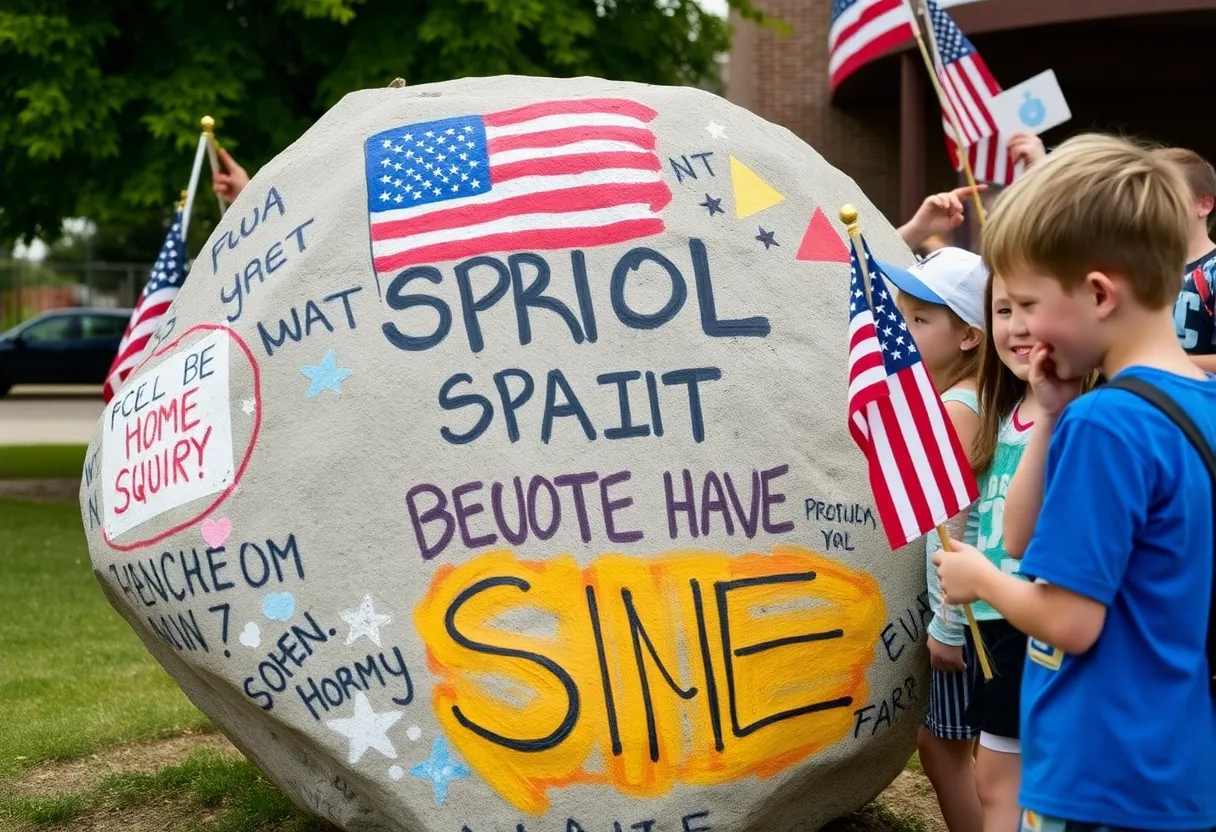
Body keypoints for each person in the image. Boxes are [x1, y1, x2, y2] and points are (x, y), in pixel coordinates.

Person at [935, 134, 1216, 832]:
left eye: (1029, 303)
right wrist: (1052, 414)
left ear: (1097, 292)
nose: (1022, 328)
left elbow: (1068, 620)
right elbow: (1033, 538)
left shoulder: (1109, 422)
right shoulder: (1191, 405)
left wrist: (979, 577)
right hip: (1169, 764)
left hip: (1100, 771)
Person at [885, 248, 988, 832]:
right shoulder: (962, 399)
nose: (904, 329)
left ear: (970, 335)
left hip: (965, 618)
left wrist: (948, 627)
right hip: (971, 609)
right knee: (979, 750)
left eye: (921, 320)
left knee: (943, 749)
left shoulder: (958, 410)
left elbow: (958, 526)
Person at [1157, 148, 1216, 373]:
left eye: (1167, 192)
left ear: (1204, 205)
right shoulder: (1140, 268)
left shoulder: (1212, 272)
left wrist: (1151, 364)